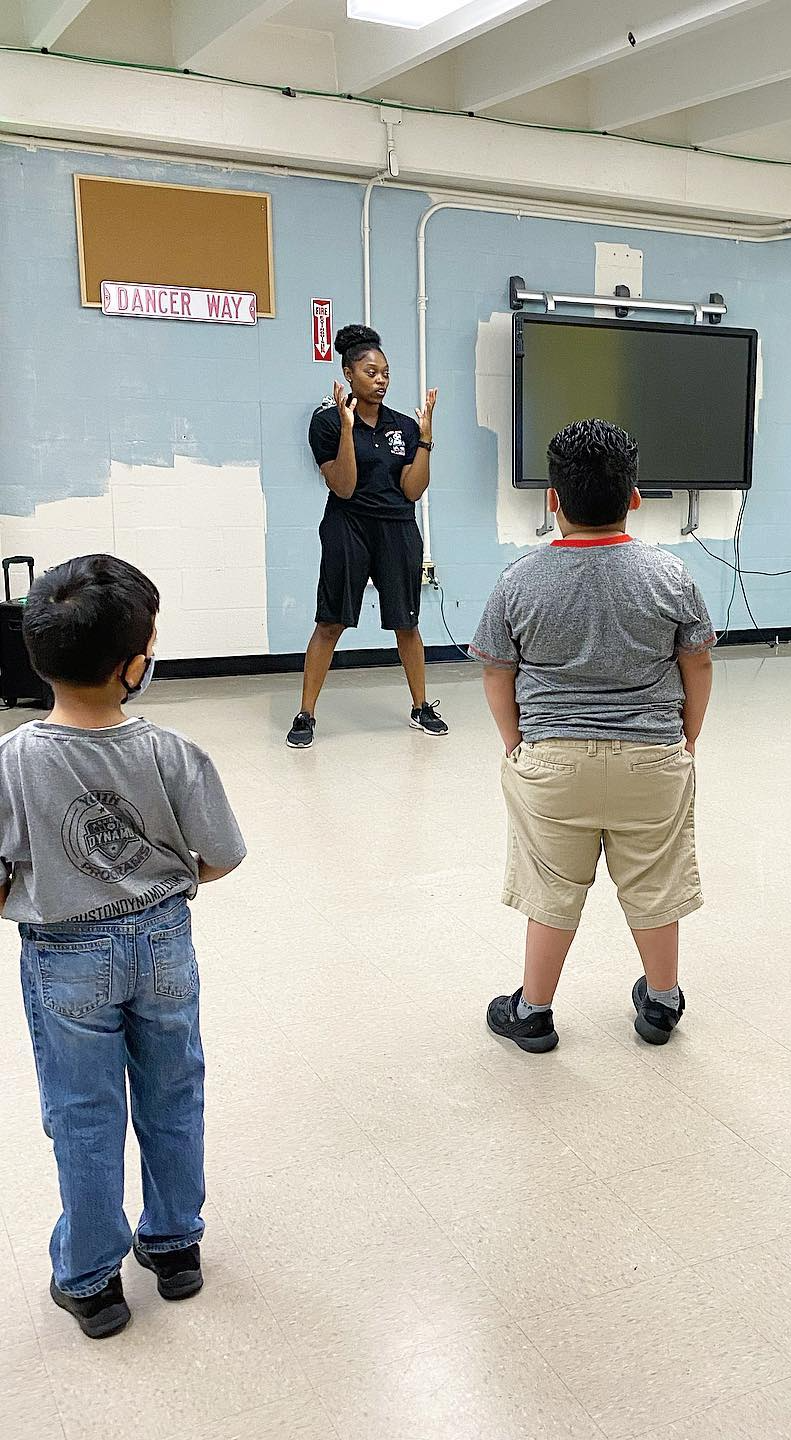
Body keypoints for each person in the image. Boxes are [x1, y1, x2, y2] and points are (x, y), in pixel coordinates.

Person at [1, 555, 246, 1338]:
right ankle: (175, 1247)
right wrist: (165, 884)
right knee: (175, 1094)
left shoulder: (14, 760)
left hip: (64, 955)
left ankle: (91, 1280)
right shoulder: (172, 752)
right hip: (165, 945)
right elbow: (223, 853)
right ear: (134, 666)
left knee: (84, 1116)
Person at [473, 419, 715, 1052]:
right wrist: (683, 738)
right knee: (655, 882)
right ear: (634, 497)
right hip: (653, 760)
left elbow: (498, 672)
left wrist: (516, 743)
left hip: (552, 763)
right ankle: (662, 1003)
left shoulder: (519, 580)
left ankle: (533, 1011)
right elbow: (698, 663)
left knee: (551, 888)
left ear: (553, 500)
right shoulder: (671, 577)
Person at [287, 323, 445, 748]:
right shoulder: (325, 423)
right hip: (348, 525)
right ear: (349, 374)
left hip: (397, 528)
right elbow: (344, 486)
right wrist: (345, 427)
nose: (381, 381)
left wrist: (426, 440)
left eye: (386, 373)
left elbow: (413, 489)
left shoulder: (403, 427)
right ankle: (306, 714)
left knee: (406, 622)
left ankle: (420, 706)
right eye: (372, 372)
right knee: (331, 621)